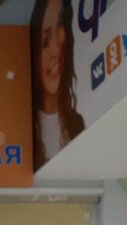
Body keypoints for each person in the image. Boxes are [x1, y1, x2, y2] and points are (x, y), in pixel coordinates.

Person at [31, 0, 85, 169]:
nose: (56, 49)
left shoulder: (77, 125)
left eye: (60, 24)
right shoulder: (24, 135)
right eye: (45, 41)